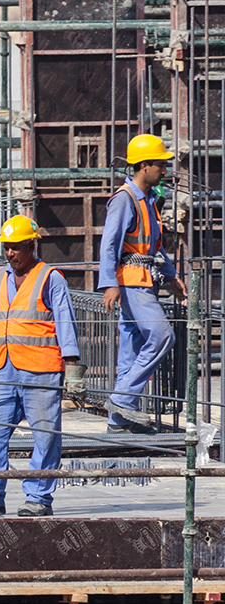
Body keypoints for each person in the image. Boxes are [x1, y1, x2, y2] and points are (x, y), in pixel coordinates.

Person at [0, 217, 85, 517]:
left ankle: (39, 498)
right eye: (6, 248)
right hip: (4, 368)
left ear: (31, 245)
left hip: (41, 369)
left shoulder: (50, 277)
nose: (10, 254)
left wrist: (73, 371)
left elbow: (66, 324)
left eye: (16, 248)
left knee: (45, 436)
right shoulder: (0, 277)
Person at [99, 134, 186, 434]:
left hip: (144, 280)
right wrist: (109, 283)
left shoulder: (147, 201)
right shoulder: (124, 199)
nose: (165, 170)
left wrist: (172, 276)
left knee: (132, 349)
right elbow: (109, 245)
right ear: (145, 166)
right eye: (160, 165)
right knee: (163, 336)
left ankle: (119, 421)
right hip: (131, 282)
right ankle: (122, 400)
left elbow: (155, 248)